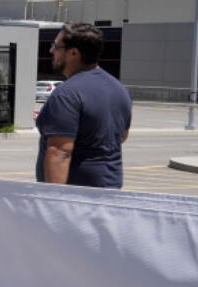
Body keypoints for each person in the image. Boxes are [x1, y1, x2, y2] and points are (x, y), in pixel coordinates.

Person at [36, 22, 133, 188]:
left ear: (74, 53)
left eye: (56, 46)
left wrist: (54, 201)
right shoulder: (119, 89)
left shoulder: (66, 94)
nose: (51, 50)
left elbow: (60, 152)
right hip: (111, 190)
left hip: (78, 200)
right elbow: (122, 136)